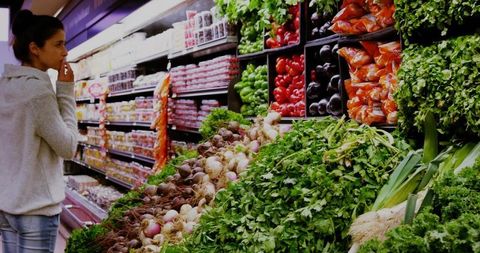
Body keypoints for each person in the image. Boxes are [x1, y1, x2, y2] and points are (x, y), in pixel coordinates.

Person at [0, 9, 78, 253]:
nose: (65, 52)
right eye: (58, 44)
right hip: (36, 208)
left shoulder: (6, 85)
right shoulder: (38, 93)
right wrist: (65, 91)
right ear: (35, 48)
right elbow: (68, 148)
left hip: (7, 204)